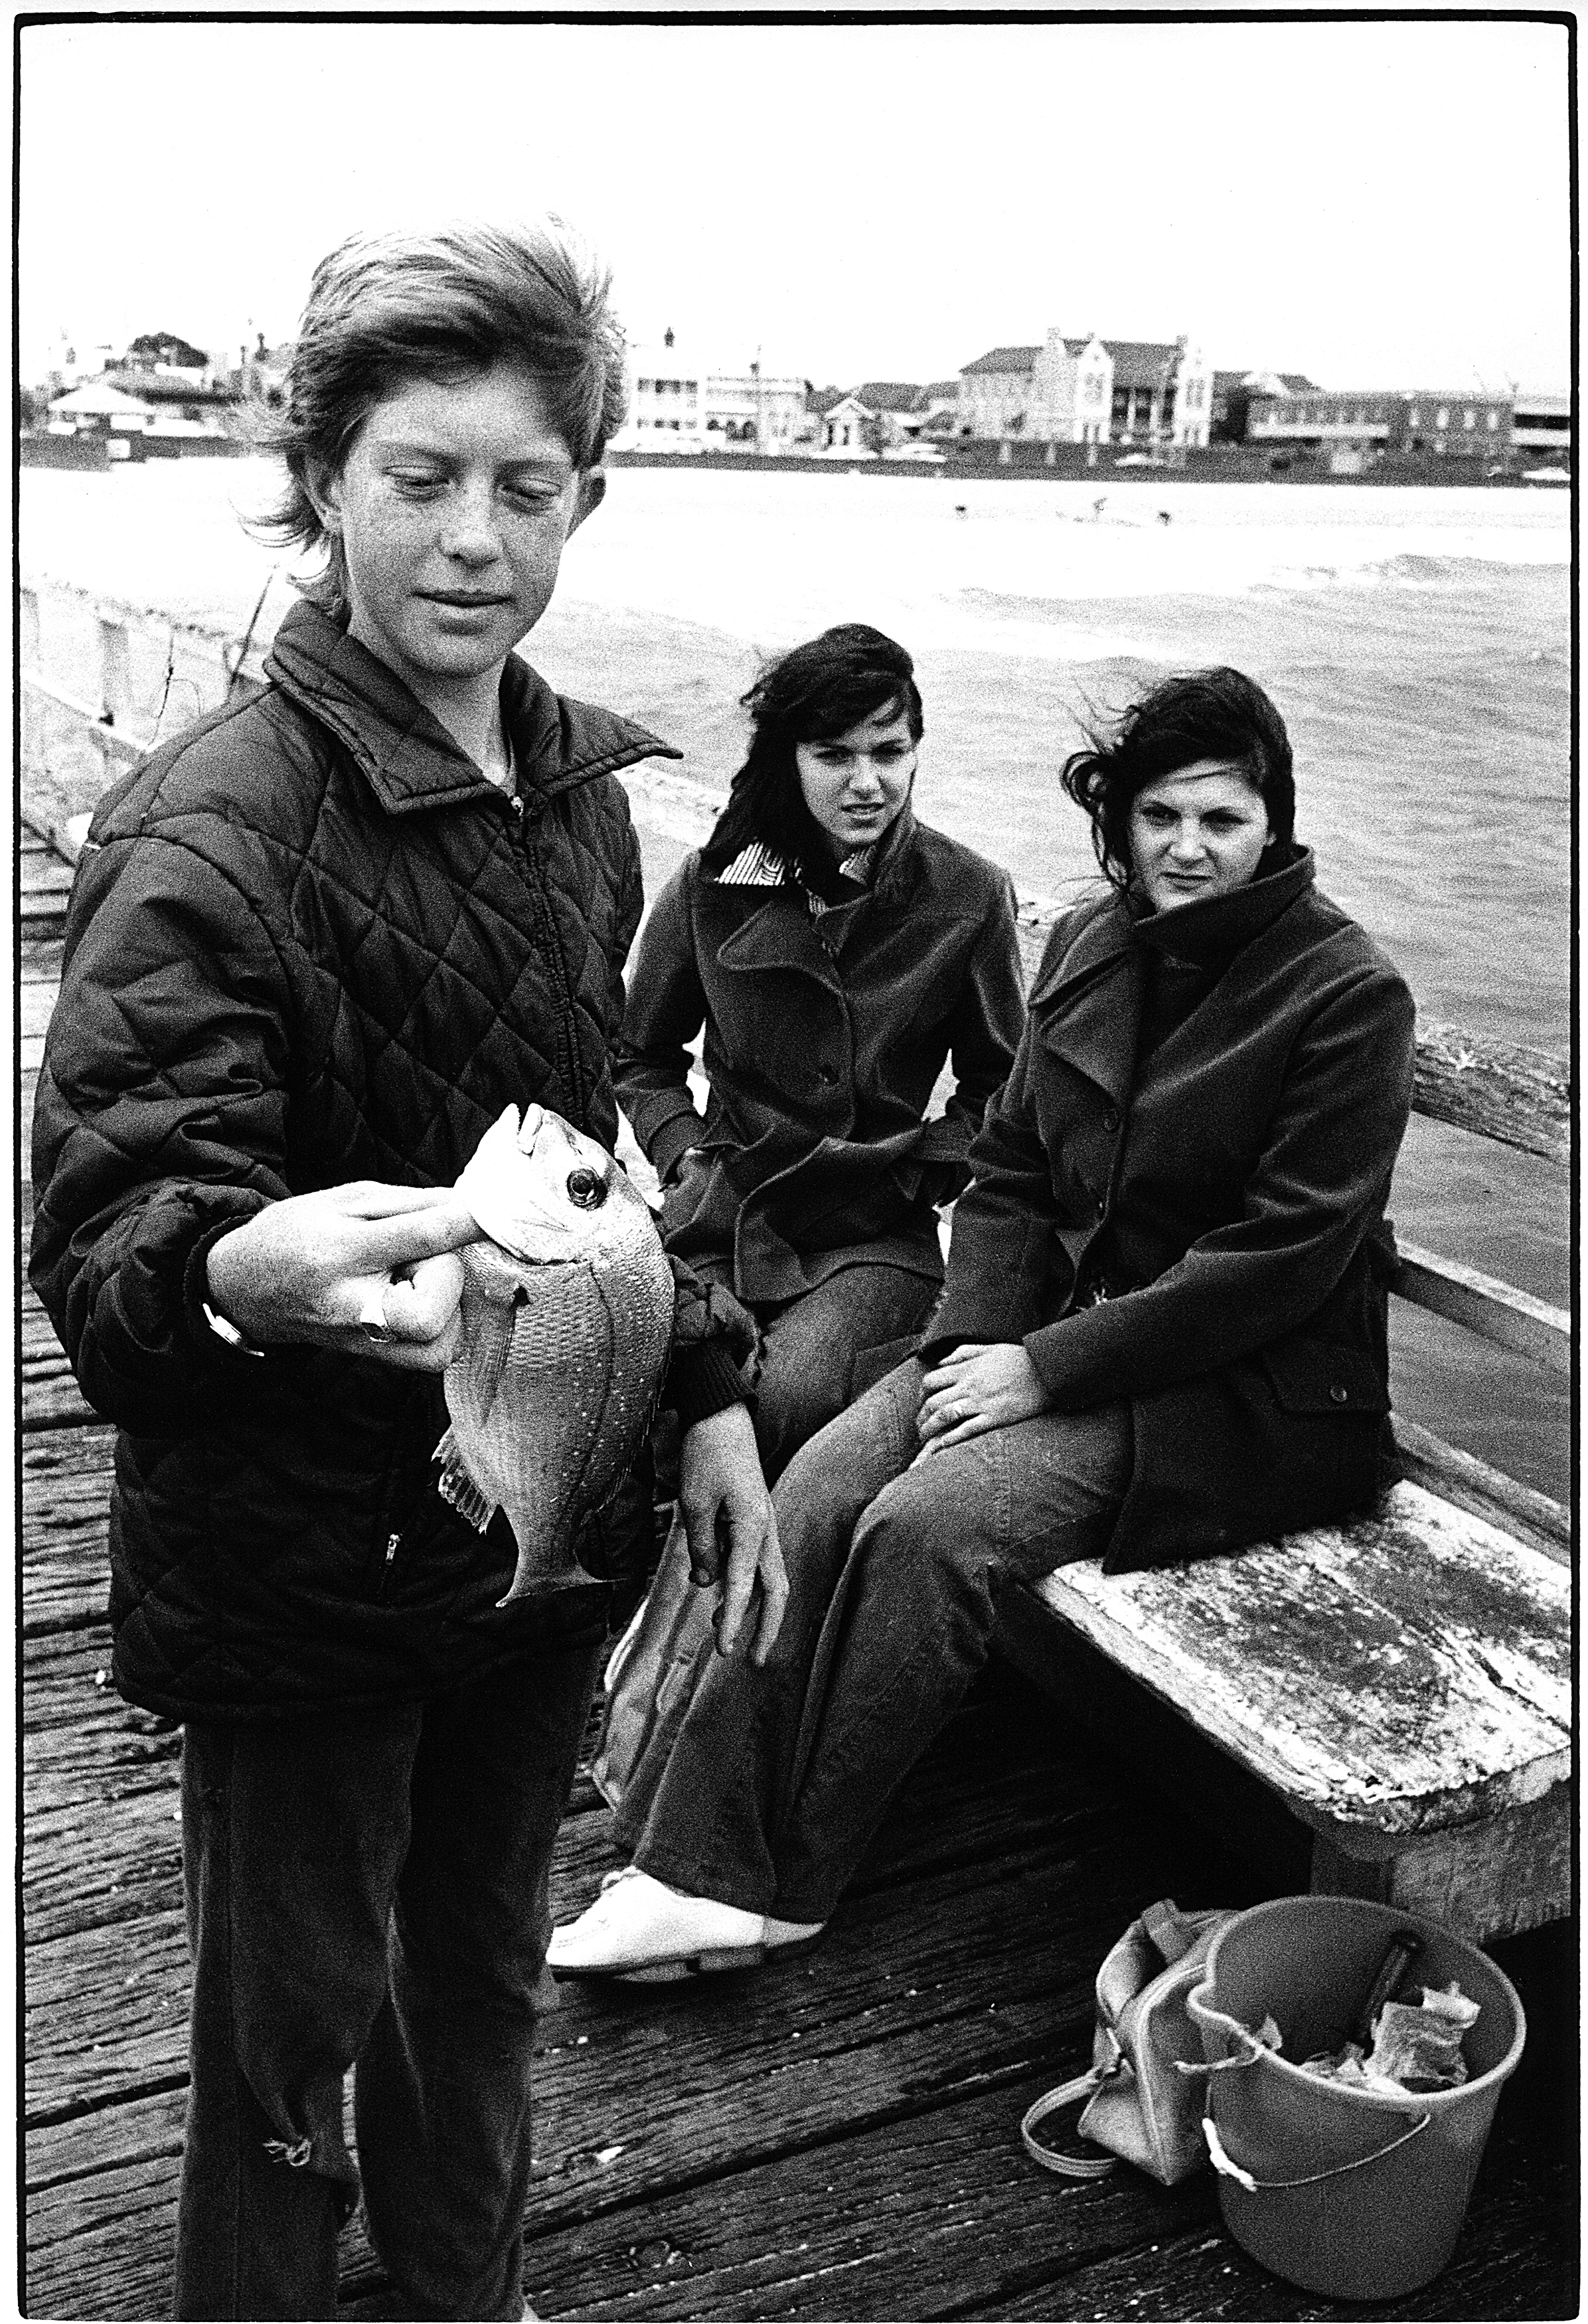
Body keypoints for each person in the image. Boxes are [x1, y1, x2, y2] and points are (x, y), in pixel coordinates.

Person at [29, 220, 781, 2323]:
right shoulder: (206, 832)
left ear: (586, 499)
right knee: (287, 2035)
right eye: (419, 477)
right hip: (296, 1567)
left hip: (530, 1533)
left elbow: (604, 1147)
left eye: (525, 487)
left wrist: (705, 1379)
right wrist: (230, 1274)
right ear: (323, 483)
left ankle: (464, 2288)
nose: (474, 536)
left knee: (483, 1974)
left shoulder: (584, 804)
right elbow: (111, 1244)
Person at [549, 665, 1417, 1981]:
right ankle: (695, 1864)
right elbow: (1009, 1167)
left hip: (1234, 1393)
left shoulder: (1345, 993)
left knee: (926, 1529)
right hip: (1048, 1338)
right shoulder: (1091, 943)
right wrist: (972, 1341)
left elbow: (1275, 1264)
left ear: (1273, 825)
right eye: (1159, 816)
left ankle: (790, 1884)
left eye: (1221, 820)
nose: (1186, 848)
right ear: (1118, 822)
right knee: (820, 1484)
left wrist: (1038, 1368)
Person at [614, 623, 1025, 1481]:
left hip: (873, 1231)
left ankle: (732, 1566)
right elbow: (641, 1056)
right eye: (833, 755)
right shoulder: (711, 883)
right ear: (789, 759)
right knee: (632, 1382)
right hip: (720, 1210)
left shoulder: (969, 894)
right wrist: (684, 1155)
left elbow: (1002, 1087)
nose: (867, 783)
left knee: (785, 1399)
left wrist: (921, 1173)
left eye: (890, 751)